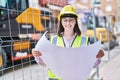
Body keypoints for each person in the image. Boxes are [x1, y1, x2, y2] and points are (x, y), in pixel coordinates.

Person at [32, 5, 104, 80]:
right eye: (65, 20)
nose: (68, 23)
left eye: (71, 20)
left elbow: (92, 64)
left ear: (75, 21)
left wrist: (97, 57)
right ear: (61, 22)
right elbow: (44, 63)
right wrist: (38, 55)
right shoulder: (53, 41)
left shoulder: (84, 41)